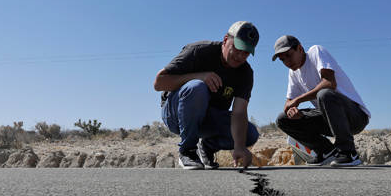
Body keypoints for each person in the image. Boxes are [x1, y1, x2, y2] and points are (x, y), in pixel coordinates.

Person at [154, 21, 260, 170]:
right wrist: (199, 76)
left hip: (209, 119)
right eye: (237, 48)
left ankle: (207, 147)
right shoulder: (199, 51)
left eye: (246, 52)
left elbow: (239, 112)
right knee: (197, 87)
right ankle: (187, 151)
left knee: (250, 134)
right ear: (225, 40)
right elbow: (158, 83)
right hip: (175, 113)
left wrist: (239, 146)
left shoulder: (245, 73)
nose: (240, 56)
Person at [272, 35, 370, 166]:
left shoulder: (315, 52)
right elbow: (289, 102)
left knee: (325, 94)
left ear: (300, 48)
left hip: (355, 117)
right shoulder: (293, 72)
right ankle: (326, 151)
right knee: (283, 119)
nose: (287, 62)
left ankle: (348, 152)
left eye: (289, 55)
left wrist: (297, 100)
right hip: (330, 119)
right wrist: (292, 111)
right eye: (282, 60)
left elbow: (329, 83)